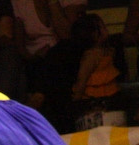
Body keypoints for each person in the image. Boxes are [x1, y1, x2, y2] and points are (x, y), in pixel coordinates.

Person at [12, 0, 88, 131]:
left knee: (58, 54)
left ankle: (38, 97)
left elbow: (68, 35)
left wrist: (52, 4)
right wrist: (34, 56)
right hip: (35, 59)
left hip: (65, 55)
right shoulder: (19, 3)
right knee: (46, 68)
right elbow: (19, 46)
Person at [70, 13, 127, 130]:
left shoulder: (109, 51)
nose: (106, 29)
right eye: (102, 27)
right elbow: (82, 80)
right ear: (93, 33)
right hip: (93, 103)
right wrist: (75, 104)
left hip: (111, 98)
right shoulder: (91, 56)